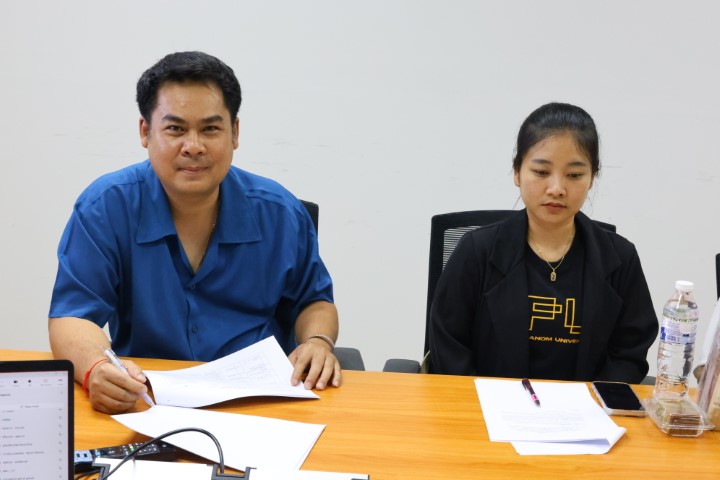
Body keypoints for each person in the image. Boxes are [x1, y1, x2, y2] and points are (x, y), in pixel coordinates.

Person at [48, 51, 341, 414]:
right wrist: (96, 367)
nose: (193, 146)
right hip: (146, 399)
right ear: (145, 132)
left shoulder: (279, 211)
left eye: (210, 129)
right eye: (175, 129)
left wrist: (317, 341)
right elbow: (73, 316)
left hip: (261, 402)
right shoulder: (106, 206)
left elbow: (315, 300)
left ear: (234, 133)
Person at [429, 102, 658, 383]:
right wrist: (485, 403)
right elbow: (448, 347)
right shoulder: (476, 251)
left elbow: (629, 353)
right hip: (486, 405)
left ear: (592, 178)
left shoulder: (621, 258)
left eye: (574, 175)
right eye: (541, 172)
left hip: (587, 408)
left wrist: (592, 403)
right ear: (517, 172)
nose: (557, 188)